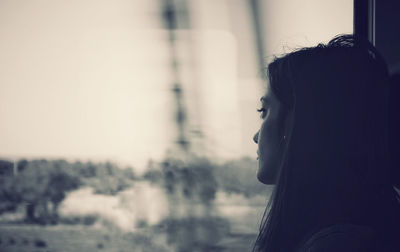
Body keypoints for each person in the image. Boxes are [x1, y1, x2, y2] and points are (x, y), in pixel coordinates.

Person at [252, 35, 400, 252]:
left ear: (298, 126)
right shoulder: (341, 232)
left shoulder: (338, 244)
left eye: (263, 112)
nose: (256, 136)